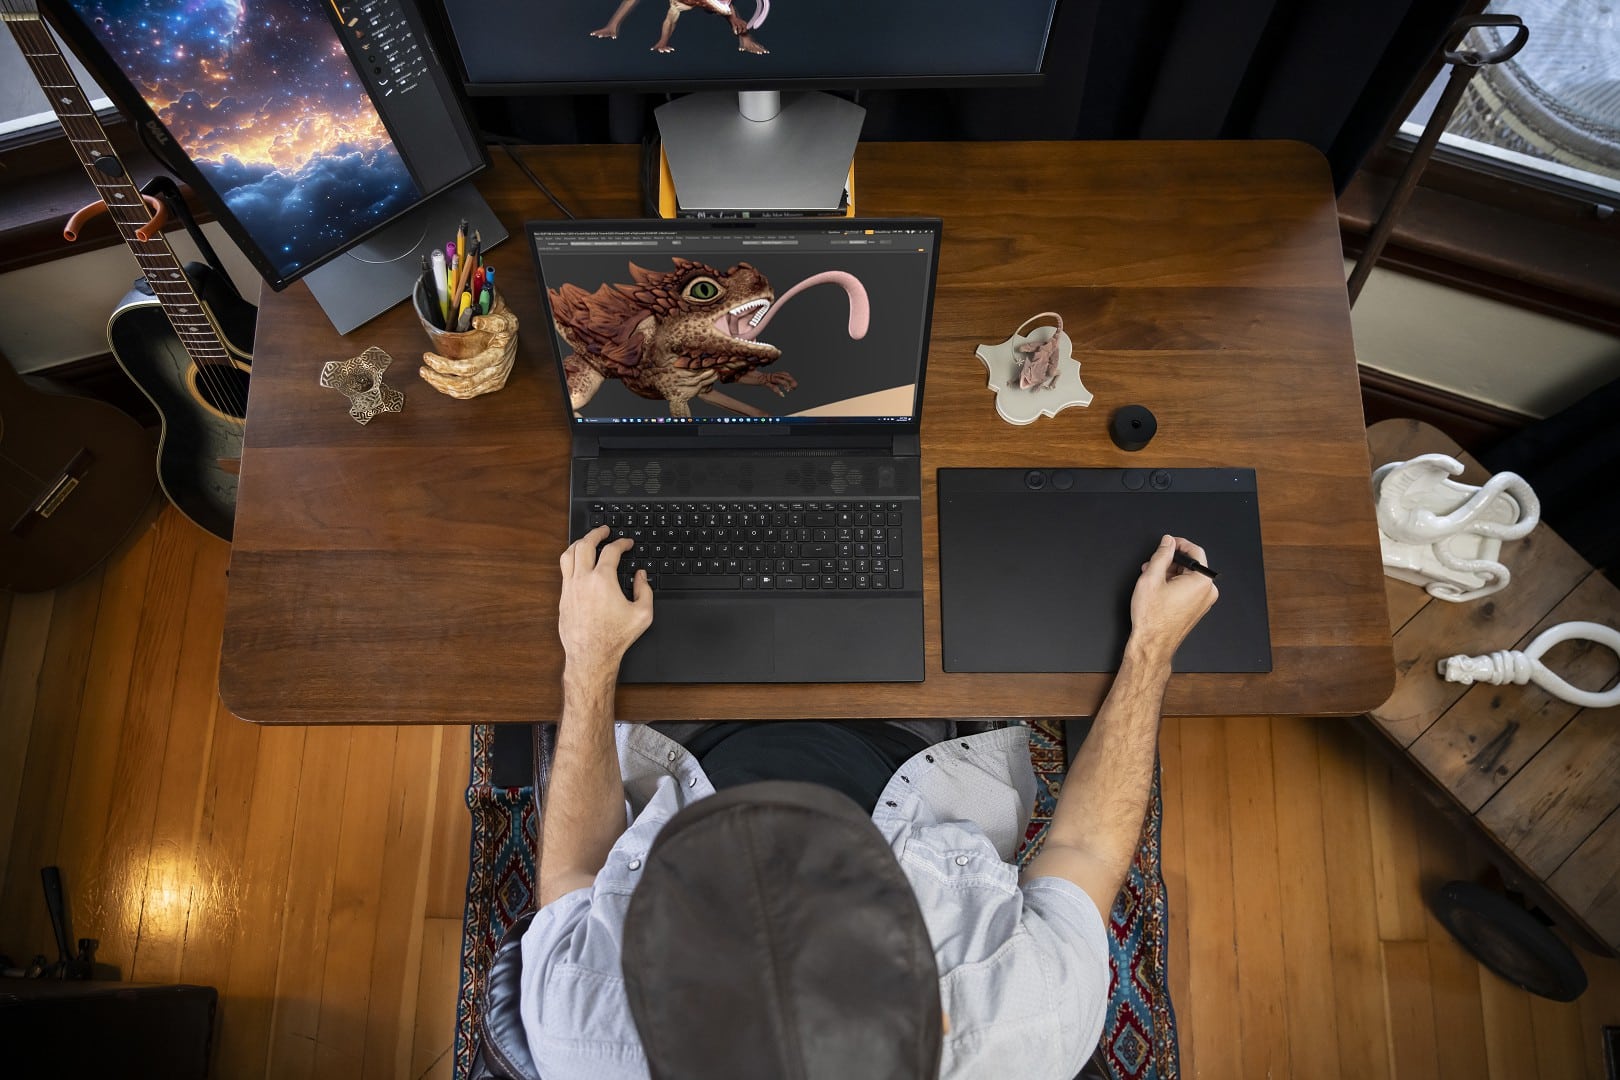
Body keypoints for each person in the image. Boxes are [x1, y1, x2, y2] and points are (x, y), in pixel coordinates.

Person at [520, 525, 1218, 1079]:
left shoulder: (580, 1032)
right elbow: (1085, 850)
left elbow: (572, 872)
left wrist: (589, 661)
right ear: (939, 1015)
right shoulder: (1030, 1022)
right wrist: (1151, 646)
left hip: (682, 751)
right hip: (917, 754)